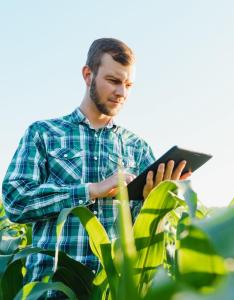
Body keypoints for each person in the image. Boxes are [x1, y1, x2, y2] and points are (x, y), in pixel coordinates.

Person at [2, 38, 190, 298]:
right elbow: (15, 200)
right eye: (113, 81)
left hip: (112, 292)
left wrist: (153, 203)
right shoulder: (43, 133)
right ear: (88, 75)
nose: (122, 93)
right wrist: (90, 190)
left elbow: (140, 238)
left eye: (128, 85)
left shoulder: (138, 147)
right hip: (49, 292)